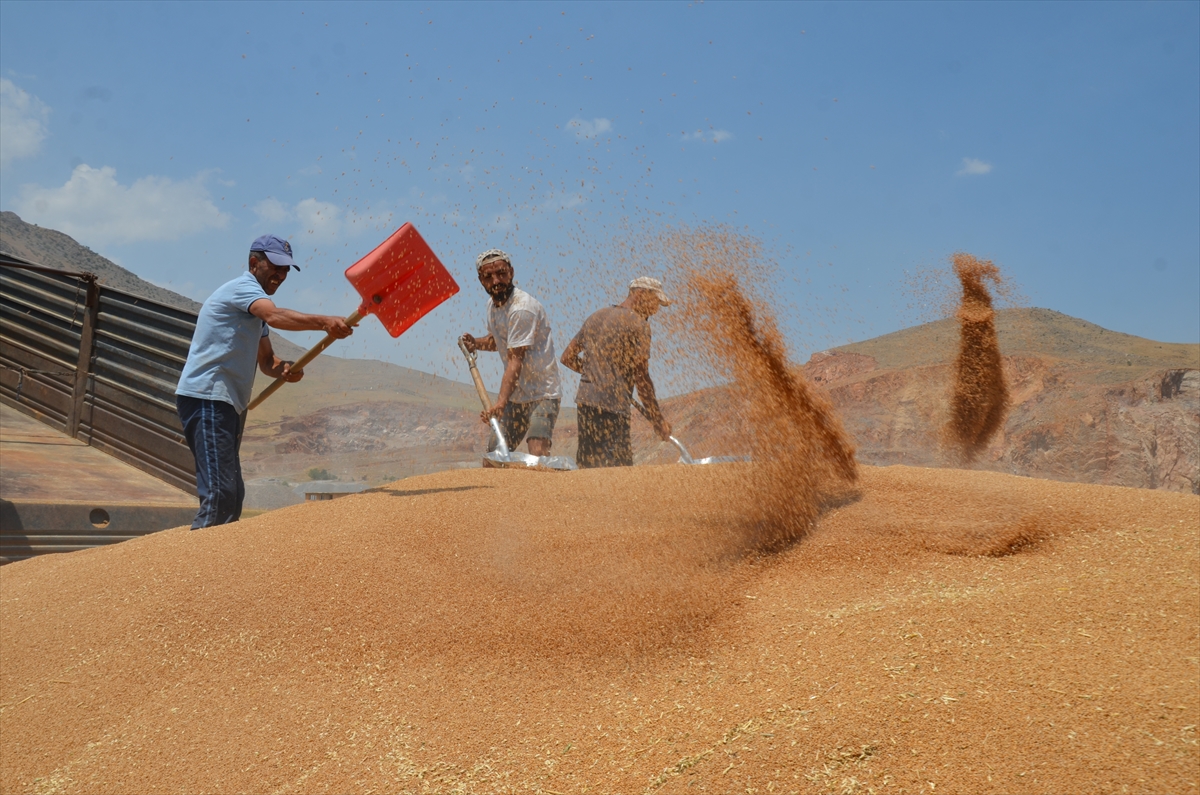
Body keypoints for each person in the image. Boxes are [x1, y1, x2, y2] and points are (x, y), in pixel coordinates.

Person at [175, 234, 353, 529]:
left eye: (285, 270)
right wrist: (324, 322)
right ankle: (195, 568)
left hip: (228, 403)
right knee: (220, 495)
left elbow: (267, 361)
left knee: (233, 495)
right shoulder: (244, 290)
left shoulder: (252, 314)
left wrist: (286, 368)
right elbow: (274, 315)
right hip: (207, 397)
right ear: (254, 263)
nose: (281, 275)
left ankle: (216, 566)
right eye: (276, 267)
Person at [561, 276, 673, 468]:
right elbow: (642, 378)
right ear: (640, 294)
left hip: (586, 402)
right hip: (613, 407)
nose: (655, 310)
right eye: (655, 302)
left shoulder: (596, 316)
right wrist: (657, 419)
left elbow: (567, 357)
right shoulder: (639, 325)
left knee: (589, 467)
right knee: (619, 472)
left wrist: (595, 375)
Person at [459, 248, 562, 456]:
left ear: (511, 272)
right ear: (481, 280)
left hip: (542, 393)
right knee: (495, 455)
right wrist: (476, 343)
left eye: (501, 273)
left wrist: (500, 403)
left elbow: (515, 360)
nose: (496, 281)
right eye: (489, 277)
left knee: (537, 452)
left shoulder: (522, 308)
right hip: (516, 395)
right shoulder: (492, 306)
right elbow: (497, 341)